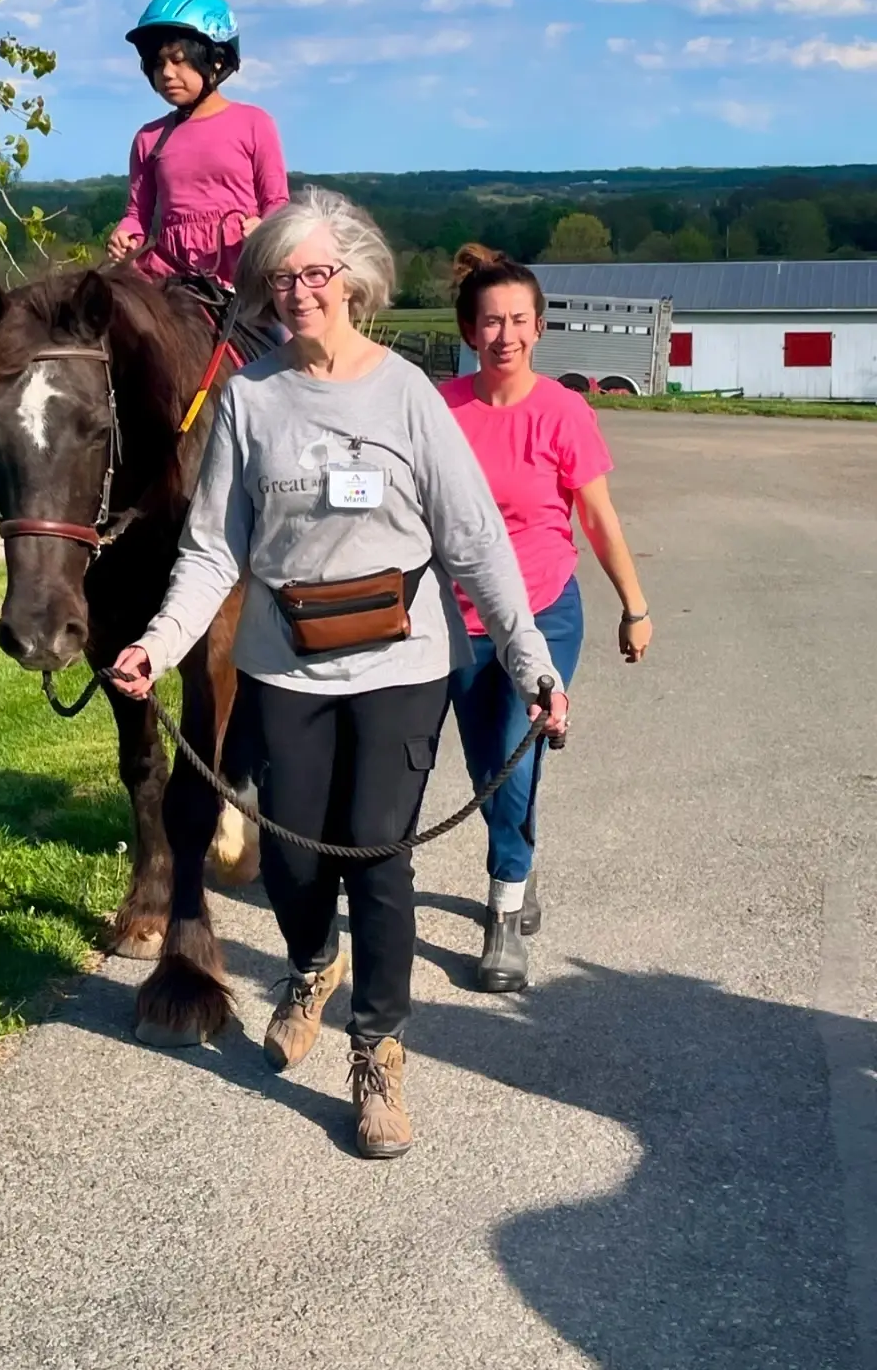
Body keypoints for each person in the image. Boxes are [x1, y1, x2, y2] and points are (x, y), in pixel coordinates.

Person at [110, 189, 568, 1160]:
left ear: (355, 280)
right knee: (292, 860)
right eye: (282, 277)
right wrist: (159, 640)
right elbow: (208, 552)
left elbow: (475, 540)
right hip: (286, 667)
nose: (301, 291)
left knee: (377, 855)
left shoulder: (405, 393)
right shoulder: (250, 399)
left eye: (317, 272)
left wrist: (531, 663)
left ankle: (377, 1054)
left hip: (401, 662)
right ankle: (313, 960)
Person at [443, 244, 652, 995]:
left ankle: (502, 910)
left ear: (539, 329)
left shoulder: (563, 411)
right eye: (491, 321)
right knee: (485, 768)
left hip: (544, 610)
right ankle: (518, 858)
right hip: (460, 619)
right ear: (470, 330)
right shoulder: (442, 409)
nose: (505, 335)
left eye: (519, 321)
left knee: (513, 755)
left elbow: (597, 519)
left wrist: (635, 605)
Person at [107, 0, 288, 285]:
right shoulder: (149, 138)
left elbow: (276, 202)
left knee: (285, 333)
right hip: (170, 275)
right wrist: (124, 235)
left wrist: (264, 229)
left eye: (178, 60)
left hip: (242, 273)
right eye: (157, 63)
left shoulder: (254, 123)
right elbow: (137, 214)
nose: (166, 73)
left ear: (216, 60)